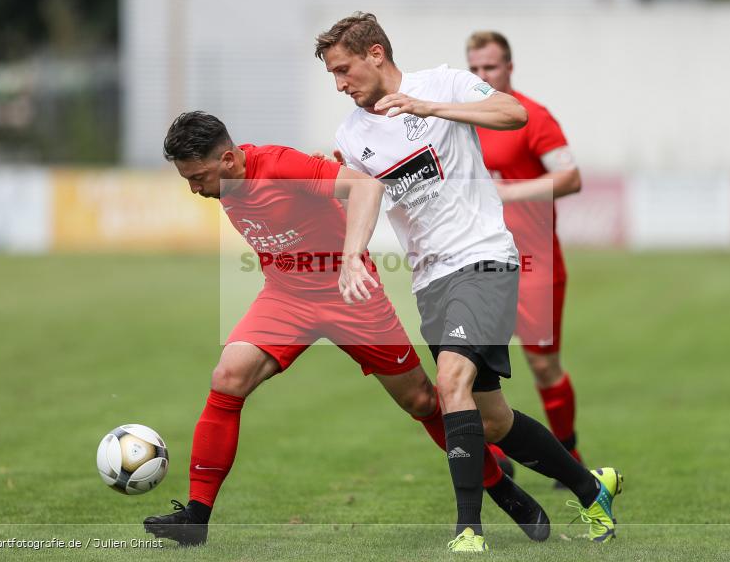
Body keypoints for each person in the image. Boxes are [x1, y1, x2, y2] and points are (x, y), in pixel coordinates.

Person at [142, 111, 549, 547]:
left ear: (227, 160)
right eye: (188, 180)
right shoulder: (223, 181)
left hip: (350, 296)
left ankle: (499, 486)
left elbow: (364, 186)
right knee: (227, 377)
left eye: (198, 178)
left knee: (420, 400)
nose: (195, 189)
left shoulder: (281, 165)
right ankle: (197, 517)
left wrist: (351, 255)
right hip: (285, 296)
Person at [315, 12, 622, 551]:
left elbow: (513, 112)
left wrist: (428, 107)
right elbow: (367, 194)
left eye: (344, 70)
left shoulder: (444, 83)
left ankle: (468, 530)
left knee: (450, 382)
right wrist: (351, 253)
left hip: (483, 257)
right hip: (430, 278)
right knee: (493, 420)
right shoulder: (352, 132)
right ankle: (590, 488)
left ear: (375, 54)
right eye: (332, 75)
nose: (339, 84)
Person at [466, 31, 585, 478]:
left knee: (542, 364)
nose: (482, 76)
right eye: (474, 68)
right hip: (480, 263)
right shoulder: (462, 119)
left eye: (490, 67)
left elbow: (571, 178)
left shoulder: (533, 116)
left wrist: (508, 192)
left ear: (509, 67)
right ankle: (496, 456)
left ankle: (569, 455)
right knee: (469, 364)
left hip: (535, 263)